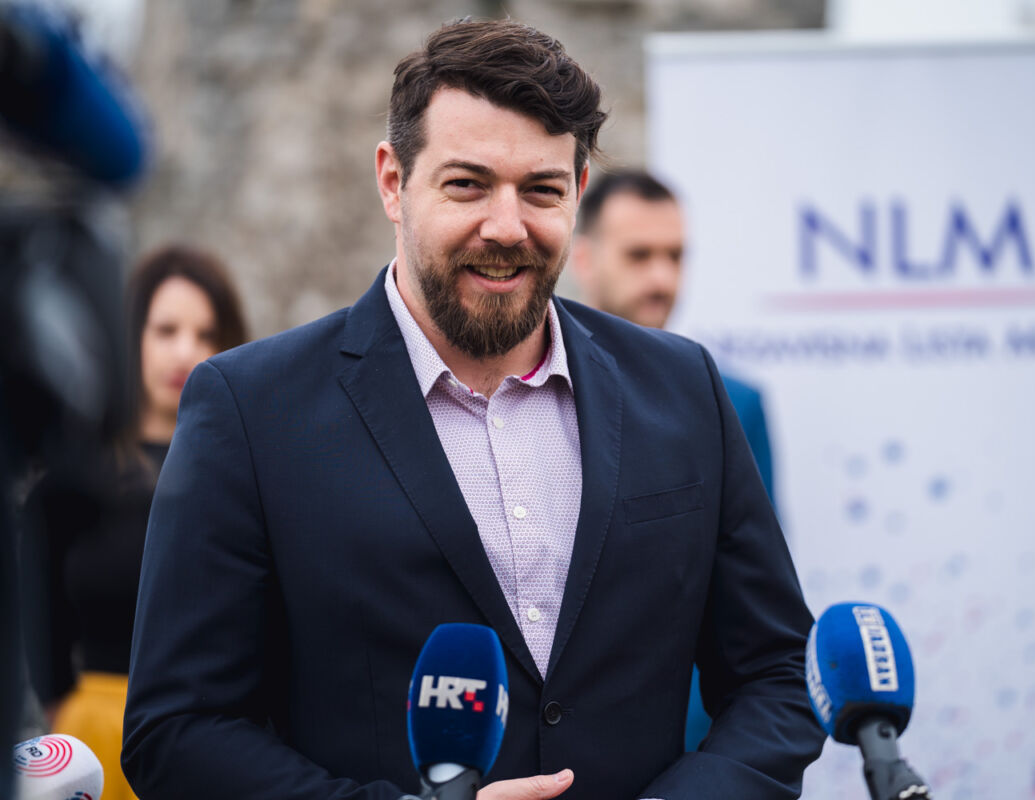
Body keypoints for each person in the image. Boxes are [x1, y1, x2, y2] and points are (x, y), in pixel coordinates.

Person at [122, 19, 824, 800]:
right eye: (467, 184)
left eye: (541, 190)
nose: (506, 226)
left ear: (578, 192)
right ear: (393, 182)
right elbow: (177, 731)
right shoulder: (251, 409)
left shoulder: (683, 388)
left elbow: (777, 671)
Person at [22, 245, 247, 800]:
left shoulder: (249, 477)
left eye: (205, 333)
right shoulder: (72, 481)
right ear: (129, 338)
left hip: (220, 743)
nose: (185, 351)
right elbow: (40, 625)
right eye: (165, 330)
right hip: (95, 742)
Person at [573, 170, 778, 752]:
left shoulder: (735, 404)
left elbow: (753, 607)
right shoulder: (530, 395)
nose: (662, 278)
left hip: (688, 751)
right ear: (584, 258)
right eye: (639, 255)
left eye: (675, 256)